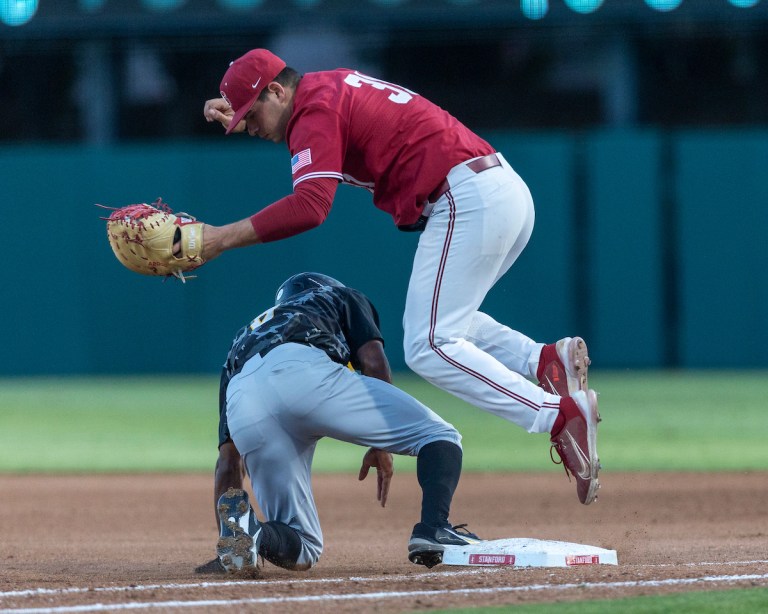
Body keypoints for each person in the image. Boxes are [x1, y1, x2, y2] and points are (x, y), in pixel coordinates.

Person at [199, 49, 601, 505]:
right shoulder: (320, 89)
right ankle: (545, 361)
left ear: (277, 90)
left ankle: (557, 415)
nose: (250, 129)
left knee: (428, 345)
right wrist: (239, 101)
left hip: (464, 196)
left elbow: (311, 207)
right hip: (497, 189)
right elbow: (270, 100)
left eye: (251, 116)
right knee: (446, 324)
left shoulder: (311, 111)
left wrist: (218, 239)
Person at [209, 272, 481, 572]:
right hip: (301, 369)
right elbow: (373, 361)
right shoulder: (333, 295)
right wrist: (382, 440)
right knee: (438, 435)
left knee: (304, 547)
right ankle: (435, 528)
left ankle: (248, 533)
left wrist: (228, 539)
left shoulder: (240, 339)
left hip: (242, 397)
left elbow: (227, 461)